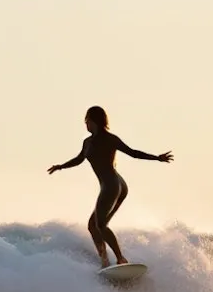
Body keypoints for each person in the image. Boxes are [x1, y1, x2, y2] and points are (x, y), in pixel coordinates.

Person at [47, 106, 173, 268]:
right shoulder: (87, 142)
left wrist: (157, 158)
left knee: (100, 225)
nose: (86, 125)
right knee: (93, 225)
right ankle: (105, 260)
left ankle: (120, 258)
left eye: (87, 121)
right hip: (114, 185)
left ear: (94, 121)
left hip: (112, 186)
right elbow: (79, 159)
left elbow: (133, 153)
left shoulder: (110, 139)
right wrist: (61, 166)